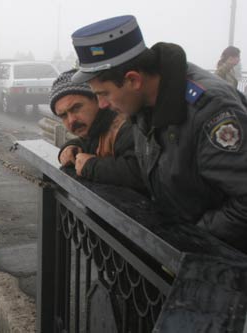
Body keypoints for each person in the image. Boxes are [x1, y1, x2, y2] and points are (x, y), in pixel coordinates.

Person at [70, 15, 247, 253]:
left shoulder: (211, 111)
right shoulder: (143, 103)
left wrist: (192, 240)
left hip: (220, 266)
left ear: (133, 79)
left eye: (104, 94)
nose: (101, 104)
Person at [50, 69, 146, 193]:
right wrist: (70, 148)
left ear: (97, 100)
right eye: (63, 115)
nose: (71, 120)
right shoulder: (95, 128)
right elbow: (87, 141)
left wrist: (91, 167)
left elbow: (139, 172)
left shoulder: (125, 126)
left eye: (76, 108)